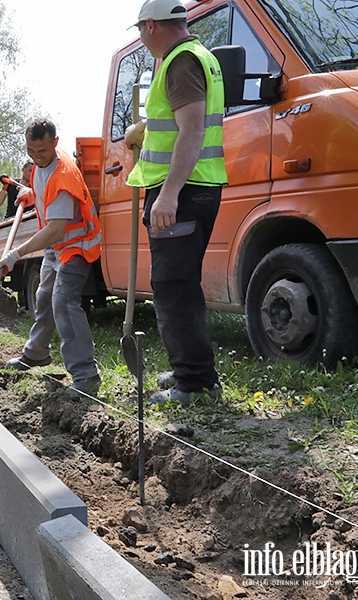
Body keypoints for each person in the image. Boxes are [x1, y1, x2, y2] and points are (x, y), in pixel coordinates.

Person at [125, 0, 228, 404]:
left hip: (182, 192)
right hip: (196, 186)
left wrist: (167, 193)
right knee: (180, 285)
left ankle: (196, 383)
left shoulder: (181, 61)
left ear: (151, 25)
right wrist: (143, 129)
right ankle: (192, 370)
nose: (140, 38)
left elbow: (191, 130)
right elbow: (178, 118)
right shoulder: (197, 57)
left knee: (172, 286)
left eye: (139, 30)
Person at [0, 118, 103, 399]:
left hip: (76, 245)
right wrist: (29, 194)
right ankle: (36, 353)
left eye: (42, 151)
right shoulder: (41, 166)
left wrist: (15, 254)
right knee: (44, 298)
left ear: (55, 143)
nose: (36, 156)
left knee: (64, 303)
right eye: (31, 150)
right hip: (57, 248)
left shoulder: (64, 174)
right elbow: (45, 191)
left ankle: (86, 375)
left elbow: (55, 229)